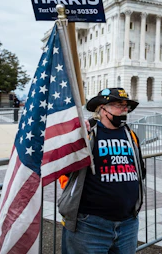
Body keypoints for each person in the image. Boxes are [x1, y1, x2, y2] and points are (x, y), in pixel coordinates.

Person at [59, 87, 145, 254]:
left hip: (127, 224)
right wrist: (74, 138)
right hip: (90, 225)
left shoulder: (130, 135)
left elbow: (140, 170)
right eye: (119, 105)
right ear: (103, 109)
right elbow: (65, 168)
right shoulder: (87, 133)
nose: (125, 110)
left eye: (126, 106)